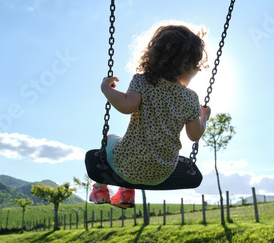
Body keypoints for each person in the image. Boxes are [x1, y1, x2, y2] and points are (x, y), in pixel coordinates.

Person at [89, 24, 211, 209]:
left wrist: (106, 88)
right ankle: (126, 193)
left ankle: (100, 189)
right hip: (162, 172)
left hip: (126, 163)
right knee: (127, 147)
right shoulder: (190, 97)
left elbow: (125, 105)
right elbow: (194, 135)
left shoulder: (143, 81)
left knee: (110, 139)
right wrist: (204, 117)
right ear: (188, 66)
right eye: (196, 66)